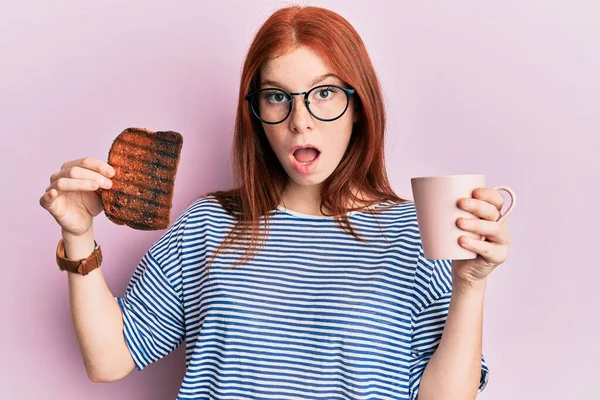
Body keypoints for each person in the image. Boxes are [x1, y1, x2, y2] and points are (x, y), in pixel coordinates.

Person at [39, 5, 512, 400]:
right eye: (276, 97)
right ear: (257, 113)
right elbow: (108, 359)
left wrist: (470, 285)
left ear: (360, 106)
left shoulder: (417, 231)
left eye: (324, 93)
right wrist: (78, 234)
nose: (299, 120)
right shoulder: (208, 224)